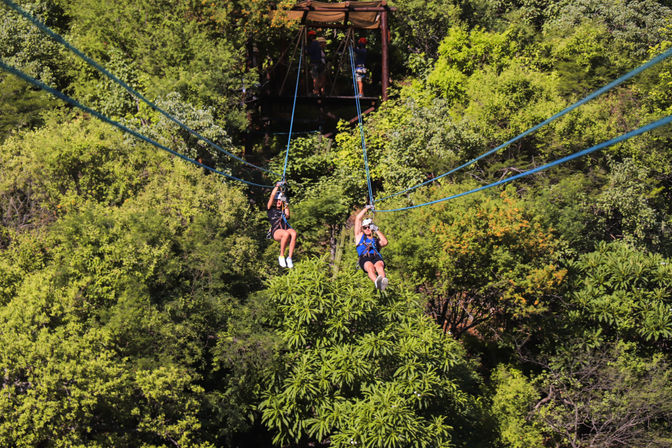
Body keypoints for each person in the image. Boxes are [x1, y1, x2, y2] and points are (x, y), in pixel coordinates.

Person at [354, 205, 389, 291]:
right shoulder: (359, 237)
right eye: (365, 228)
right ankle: (376, 282)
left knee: (379, 266)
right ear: (362, 229)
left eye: (369, 227)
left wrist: (376, 230)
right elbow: (358, 219)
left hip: (375, 256)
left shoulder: (375, 240)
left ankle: (382, 283)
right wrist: (366, 209)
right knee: (370, 267)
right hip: (365, 258)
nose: (367, 229)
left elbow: (385, 242)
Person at [267, 182, 297, 268]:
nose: (278, 202)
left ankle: (289, 258)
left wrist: (284, 200)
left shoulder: (283, 209)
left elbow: (288, 216)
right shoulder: (270, 209)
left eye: (280, 201)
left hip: (285, 227)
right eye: (277, 201)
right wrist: (277, 186)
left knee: (294, 233)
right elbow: (272, 196)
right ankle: (281, 256)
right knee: (286, 234)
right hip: (276, 230)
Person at [307, 30, 326, 96]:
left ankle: (316, 91)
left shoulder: (313, 43)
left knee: (315, 78)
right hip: (320, 63)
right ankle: (321, 91)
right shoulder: (318, 45)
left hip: (315, 63)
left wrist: (306, 49)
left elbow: (310, 52)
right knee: (321, 77)